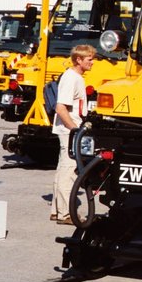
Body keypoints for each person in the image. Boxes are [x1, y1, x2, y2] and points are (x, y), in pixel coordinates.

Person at [51, 44, 95, 225]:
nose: (93, 62)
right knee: (69, 172)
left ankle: (57, 211)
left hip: (68, 129)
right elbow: (60, 108)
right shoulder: (72, 78)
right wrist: (75, 130)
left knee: (63, 170)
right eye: (89, 59)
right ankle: (65, 214)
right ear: (78, 60)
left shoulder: (75, 77)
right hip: (70, 130)